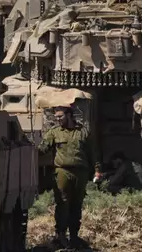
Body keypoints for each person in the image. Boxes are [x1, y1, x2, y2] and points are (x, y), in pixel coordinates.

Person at [38, 106, 101, 249]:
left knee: (76, 204)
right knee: (62, 203)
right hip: (62, 171)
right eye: (56, 117)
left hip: (81, 172)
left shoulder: (83, 132)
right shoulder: (54, 132)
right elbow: (43, 148)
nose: (58, 119)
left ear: (69, 115)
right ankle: (60, 235)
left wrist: (97, 170)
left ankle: (74, 235)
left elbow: (93, 152)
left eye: (60, 116)